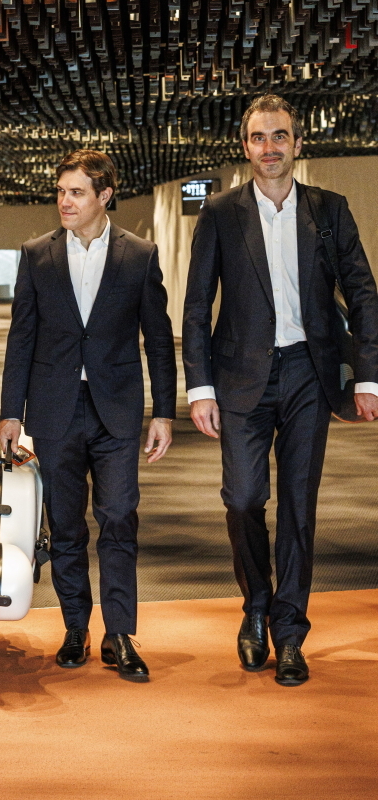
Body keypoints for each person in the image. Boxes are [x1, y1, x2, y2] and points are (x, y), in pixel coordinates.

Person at [183, 95, 378, 686]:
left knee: (298, 506)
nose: (269, 147)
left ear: (297, 143)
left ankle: (290, 632)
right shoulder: (220, 213)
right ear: (245, 146)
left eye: (280, 136)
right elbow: (196, 305)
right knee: (243, 498)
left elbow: (363, 294)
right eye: (259, 137)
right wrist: (199, 387)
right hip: (239, 376)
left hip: (308, 376)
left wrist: (368, 375)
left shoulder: (329, 209)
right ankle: (256, 605)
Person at [0, 149, 177, 681]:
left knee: (119, 517)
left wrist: (164, 412)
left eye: (76, 192)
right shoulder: (37, 254)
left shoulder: (139, 255)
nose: (65, 201)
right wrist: (10, 413)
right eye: (61, 191)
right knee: (67, 526)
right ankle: (75, 626)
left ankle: (119, 633)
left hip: (116, 410)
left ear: (105, 196)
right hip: (54, 410)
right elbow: (21, 338)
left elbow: (159, 339)